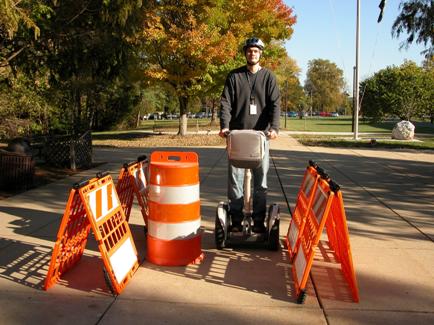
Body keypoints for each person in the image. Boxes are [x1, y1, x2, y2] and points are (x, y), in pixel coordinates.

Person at [219, 37, 281, 233]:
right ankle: (236, 220)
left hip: (261, 137)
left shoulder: (269, 77)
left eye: (255, 51)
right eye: (249, 51)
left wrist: (275, 128)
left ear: (260, 53)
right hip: (237, 136)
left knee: (260, 181)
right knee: (235, 180)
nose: (252, 54)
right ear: (245, 53)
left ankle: (259, 221)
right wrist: (224, 127)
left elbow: (275, 104)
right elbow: (225, 103)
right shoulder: (234, 76)